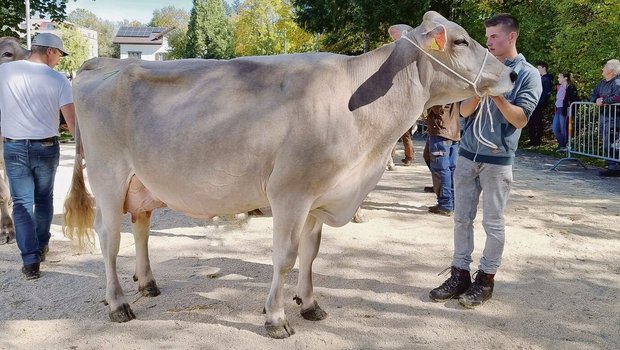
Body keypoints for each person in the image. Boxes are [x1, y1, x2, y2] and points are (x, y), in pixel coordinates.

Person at [429, 14, 542, 308]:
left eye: (494, 37)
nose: (488, 42)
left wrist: (498, 95)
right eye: (487, 36)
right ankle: (459, 275)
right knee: (461, 219)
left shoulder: (527, 74)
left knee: (493, 223)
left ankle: (486, 279)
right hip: (467, 156)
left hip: (497, 160)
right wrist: (478, 93)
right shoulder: (480, 66)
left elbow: (520, 120)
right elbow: (463, 112)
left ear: (511, 37)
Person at [0, 33, 76, 280]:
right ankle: (41, 246)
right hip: (46, 148)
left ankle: (30, 261)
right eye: (60, 55)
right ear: (50, 51)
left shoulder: (5, 73)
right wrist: (83, 149)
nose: (60, 61)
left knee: (21, 204)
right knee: (43, 199)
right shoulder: (59, 80)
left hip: (14, 148)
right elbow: (72, 122)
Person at [424, 103, 461, 216]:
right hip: (453, 131)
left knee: (441, 169)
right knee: (449, 168)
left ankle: (445, 204)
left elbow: (437, 108)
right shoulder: (456, 86)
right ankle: (451, 201)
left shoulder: (442, 87)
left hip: (440, 130)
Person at [590, 59, 620, 177]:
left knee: (613, 141)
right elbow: (593, 95)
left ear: (611, 70)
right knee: (607, 140)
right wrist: (595, 100)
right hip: (604, 115)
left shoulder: (617, 83)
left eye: (605, 66)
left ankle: (615, 167)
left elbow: (618, 97)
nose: (603, 68)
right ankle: (611, 165)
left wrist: (604, 100)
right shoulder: (601, 83)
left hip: (615, 117)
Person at [552, 72, 579, 152]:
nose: (558, 79)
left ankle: (564, 146)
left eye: (560, 77)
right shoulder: (559, 87)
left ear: (565, 78)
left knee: (564, 128)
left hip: (565, 110)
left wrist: (572, 111)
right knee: (555, 128)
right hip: (558, 109)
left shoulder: (570, 87)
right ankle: (562, 144)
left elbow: (574, 99)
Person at [528, 62, 553, 146]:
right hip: (534, 102)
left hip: (539, 104)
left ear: (543, 68)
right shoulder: (539, 78)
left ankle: (537, 140)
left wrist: (540, 103)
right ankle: (532, 139)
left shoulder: (547, 79)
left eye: (539, 68)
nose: (537, 70)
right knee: (531, 121)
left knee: (537, 121)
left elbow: (546, 92)